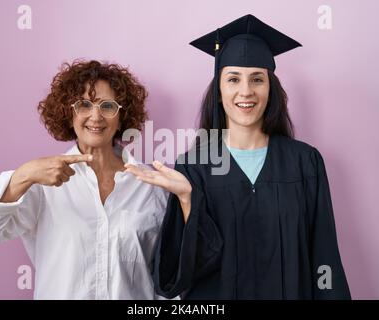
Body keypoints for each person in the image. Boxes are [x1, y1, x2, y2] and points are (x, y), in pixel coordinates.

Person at [125, 15, 351, 299]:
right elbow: (177, 275)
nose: (246, 91)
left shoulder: (304, 162)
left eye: (257, 79)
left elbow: (324, 255)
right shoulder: (194, 167)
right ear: (219, 91)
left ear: (271, 90)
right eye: (233, 79)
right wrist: (187, 199)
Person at [0, 60, 169, 300]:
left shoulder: (151, 186)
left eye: (107, 106)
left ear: (121, 116)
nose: (96, 116)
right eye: (84, 105)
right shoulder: (41, 182)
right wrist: (24, 174)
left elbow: (164, 277)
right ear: (68, 112)